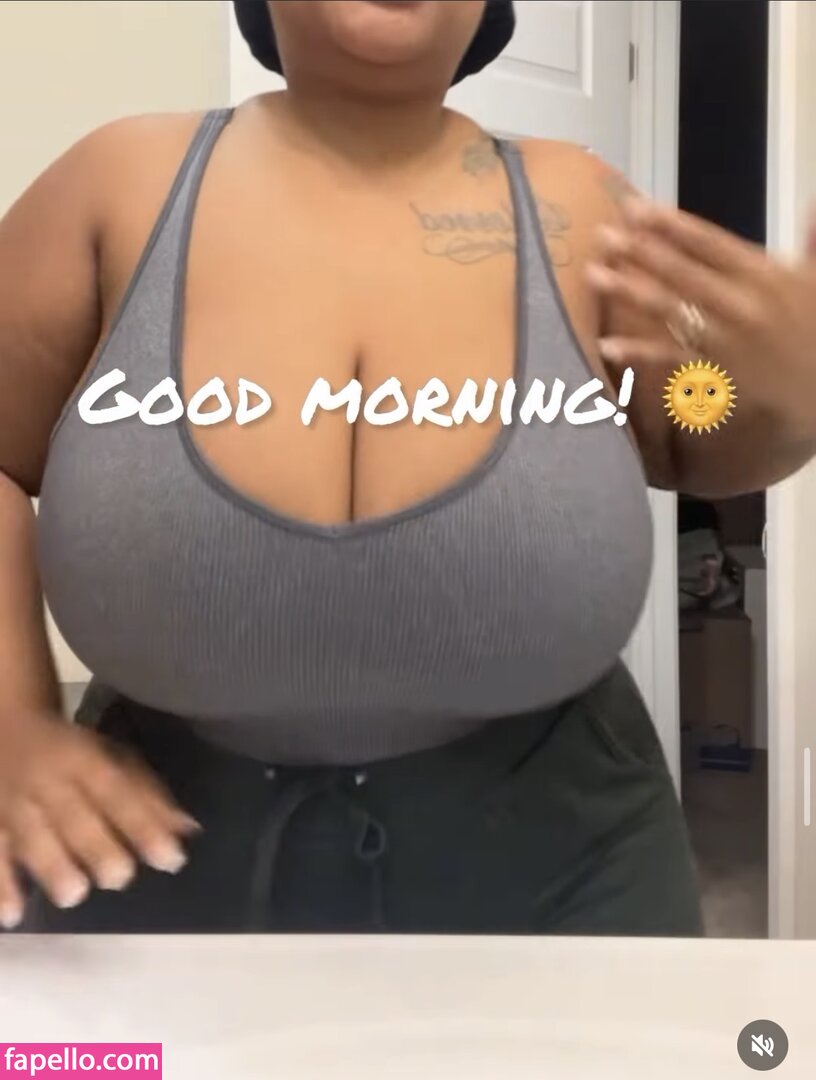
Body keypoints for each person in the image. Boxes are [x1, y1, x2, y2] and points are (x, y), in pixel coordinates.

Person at [1, 0, 815, 936]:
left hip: (569, 876)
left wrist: (790, 399)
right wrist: (10, 721)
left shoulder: (585, 207)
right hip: (137, 861)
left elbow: (699, 445)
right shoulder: (115, 184)